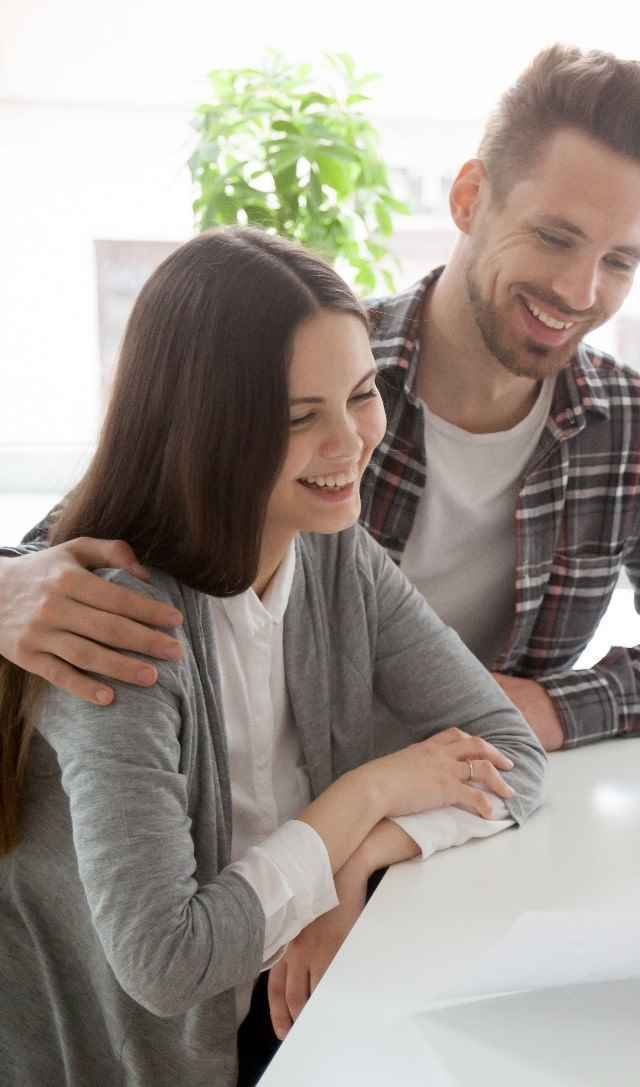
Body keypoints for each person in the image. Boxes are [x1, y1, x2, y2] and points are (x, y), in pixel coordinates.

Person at [0, 44, 640, 752]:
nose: (580, 292)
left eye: (620, 261)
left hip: (465, 812)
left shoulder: (639, 436)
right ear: (469, 198)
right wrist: (7, 590)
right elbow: (64, 548)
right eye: (554, 237)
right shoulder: (313, 376)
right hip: (267, 821)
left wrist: (557, 706)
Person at [0, 228, 549, 1087]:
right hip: (167, 1054)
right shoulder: (118, 623)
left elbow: (511, 752)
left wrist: (353, 862)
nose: (350, 441)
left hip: (296, 992)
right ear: (204, 430)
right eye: (298, 418)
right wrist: (365, 794)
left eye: (361, 395)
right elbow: (168, 962)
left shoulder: (332, 552)